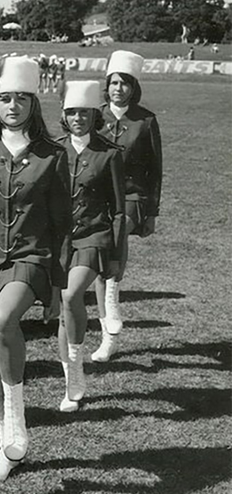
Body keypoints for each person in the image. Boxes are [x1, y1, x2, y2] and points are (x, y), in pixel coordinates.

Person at [0, 56, 70, 482]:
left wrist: (57, 287)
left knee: (6, 318)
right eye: (5, 98)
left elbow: (63, 225)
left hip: (30, 258)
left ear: (33, 103)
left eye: (21, 98)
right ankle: (7, 445)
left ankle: (18, 424)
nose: (12, 106)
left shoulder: (52, 155)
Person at [55, 80, 125, 412]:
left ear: (94, 114)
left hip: (94, 238)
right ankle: (71, 378)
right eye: (71, 113)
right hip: (58, 241)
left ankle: (77, 365)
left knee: (71, 295)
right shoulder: (53, 150)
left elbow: (119, 211)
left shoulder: (109, 153)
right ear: (63, 116)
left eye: (84, 112)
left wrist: (116, 258)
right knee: (62, 314)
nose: (78, 118)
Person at [93, 51, 162, 362]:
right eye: (114, 82)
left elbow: (155, 170)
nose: (118, 88)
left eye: (125, 83)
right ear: (106, 86)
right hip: (98, 198)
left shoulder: (146, 121)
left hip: (133, 199)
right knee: (96, 256)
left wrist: (152, 213)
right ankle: (107, 333)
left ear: (134, 88)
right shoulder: (94, 117)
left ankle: (112, 299)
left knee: (114, 237)